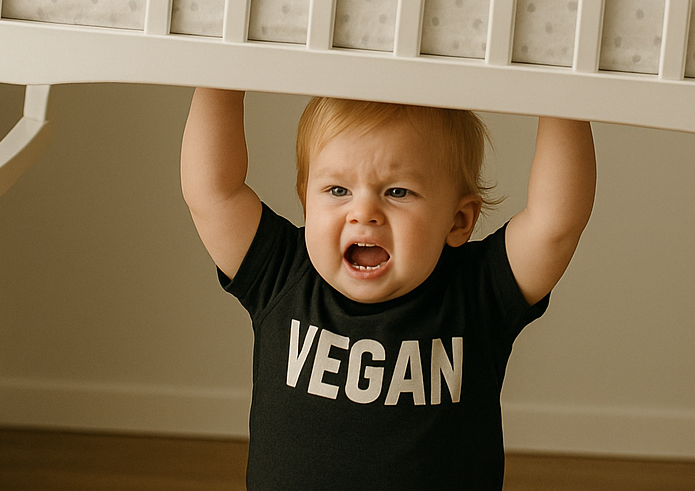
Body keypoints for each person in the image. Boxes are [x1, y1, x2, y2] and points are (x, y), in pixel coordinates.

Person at [181, 88, 595, 490]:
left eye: (397, 191)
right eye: (337, 190)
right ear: (306, 203)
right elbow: (213, 193)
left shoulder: (476, 293)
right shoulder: (283, 275)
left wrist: (561, 94)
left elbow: (554, 225)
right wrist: (223, 80)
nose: (363, 213)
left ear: (458, 221)